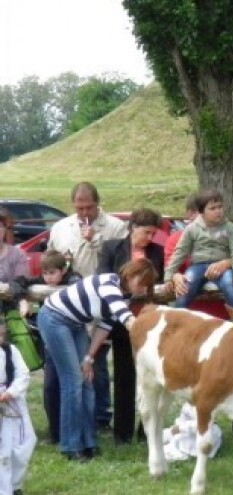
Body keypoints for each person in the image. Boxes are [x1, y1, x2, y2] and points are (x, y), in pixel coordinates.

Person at [36, 258, 158, 462]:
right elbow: (124, 316)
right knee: (73, 382)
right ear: (129, 275)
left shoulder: (125, 296)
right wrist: (144, 336)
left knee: (87, 380)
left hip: (76, 325)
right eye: (142, 282)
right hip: (54, 319)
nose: (144, 288)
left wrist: (89, 358)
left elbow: (105, 326)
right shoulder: (108, 283)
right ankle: (70, 446)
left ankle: (88, 442)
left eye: (148, 284)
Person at [46, 182, 127, 430]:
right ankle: (69, 419)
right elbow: (49, 260)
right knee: (65, 367)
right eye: (79, 208)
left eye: (89, 208)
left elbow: (121, 262)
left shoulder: (115, 226)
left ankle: (101, 418)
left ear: (98, 204)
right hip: (68, 305)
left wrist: (97, 240)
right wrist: (60, 263)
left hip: (99, 304)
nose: (84, 213)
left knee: (97, 364)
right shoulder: (61, 227)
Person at [97, 207, 164, 444]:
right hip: (120, 321)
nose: (150, 238)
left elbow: (161, 281)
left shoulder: (158, 251)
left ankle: (146, 432)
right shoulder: (111, 248)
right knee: (123, 376)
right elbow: (102, 277)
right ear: (133, 228)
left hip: (148, 322)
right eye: (147, 232)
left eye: (153, 233)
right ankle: (122, 434)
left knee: (150, 377)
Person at [9, 251, 81, 446]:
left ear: (63, 270)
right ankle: (55, 431)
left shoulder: (73, 279)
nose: (48, 277)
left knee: (73, 386)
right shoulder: (41, 281)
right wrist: (23, 300)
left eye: (52, 273)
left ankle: (76, 431)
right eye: (45, 273)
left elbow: (78, 286)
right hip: (50, 341)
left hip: (73, 339)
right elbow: (17, 282)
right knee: (50, 386)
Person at [165, 189, 233, 310]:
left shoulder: (230, 228)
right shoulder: (192, 229)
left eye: (220, 207)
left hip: (222, 267)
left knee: (230, 284)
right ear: (201, 212)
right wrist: (169, 276)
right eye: (212, 208)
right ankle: (178, 316)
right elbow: (180, 252)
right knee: (185, 287)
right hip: (198, 266)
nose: (218, 211)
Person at [0, 319, 37, 495]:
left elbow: (23, 373)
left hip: (11, 402)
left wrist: (11, 392)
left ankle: (15, 485)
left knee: (24, 443)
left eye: (2, 334)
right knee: (3, 451)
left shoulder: (10, 351)